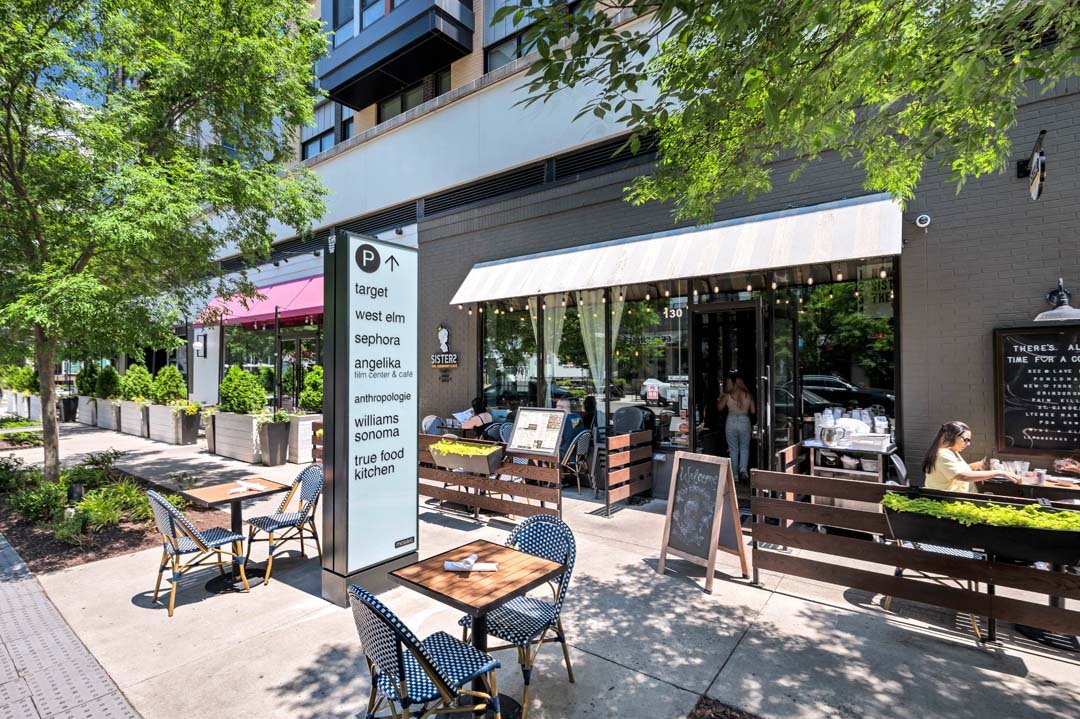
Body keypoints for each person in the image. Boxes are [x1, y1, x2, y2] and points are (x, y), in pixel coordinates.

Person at [922, 420, 1021, 493]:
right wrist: (999, 472)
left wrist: (973, 466)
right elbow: (963, 476)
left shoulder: (952, 452)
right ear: (952, 436)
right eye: (966, 439)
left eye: (969, 440)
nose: (968, 444)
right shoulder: (943, 454)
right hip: (947, 502)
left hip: (955, 502)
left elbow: (952, 473)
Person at [718, 372, 755, 481]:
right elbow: (753, 411)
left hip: (731, 421)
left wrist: (720, 398)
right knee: (744, 447)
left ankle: (735, 475)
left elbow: (719, 408)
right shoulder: (748, 395)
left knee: (733, 449)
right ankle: (743, 469)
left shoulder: (728, 395)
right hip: (744, 421)